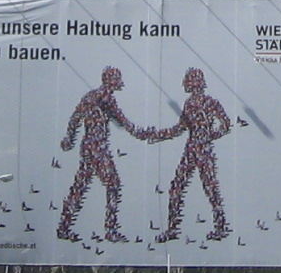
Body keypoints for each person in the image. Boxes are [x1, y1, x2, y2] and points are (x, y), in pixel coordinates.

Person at [58, 67, 146, 242]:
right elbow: (121, 119)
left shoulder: (90, 96)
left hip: (88, 146)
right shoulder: (105, 97)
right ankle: (110, 230)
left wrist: (69, 137)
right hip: (97, 147)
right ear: (111, 81)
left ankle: (64, 227)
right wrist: (139, 132)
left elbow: (75, 117)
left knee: (79, 187)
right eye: (116, 80)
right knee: (112, 185)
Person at [154, 66, 233, 242]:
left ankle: (220, 227)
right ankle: (172, 229)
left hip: (202, 150)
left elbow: (226, 123)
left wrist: (210, 136)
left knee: (210, 188)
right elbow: (181, 127)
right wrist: (159, 135)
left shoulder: (210, 102)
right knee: (177, 187)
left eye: (189, 81)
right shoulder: (189, 104)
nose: (187, 84)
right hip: (192, 149)